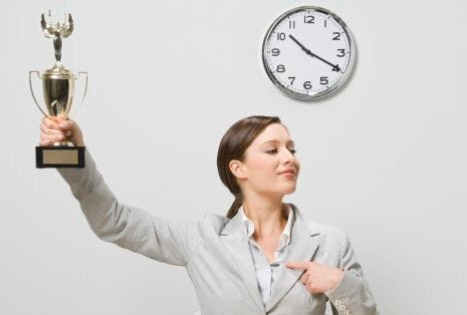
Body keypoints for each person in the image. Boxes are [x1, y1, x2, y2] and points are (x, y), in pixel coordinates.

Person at [39, 115, 378, 315]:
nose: (288, 157)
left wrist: (340, 285)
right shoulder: (202, 239)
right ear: (238, 168)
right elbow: (114, 222)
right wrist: (72, 157)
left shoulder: (331, 243)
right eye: (272, 150)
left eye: (292, 148)